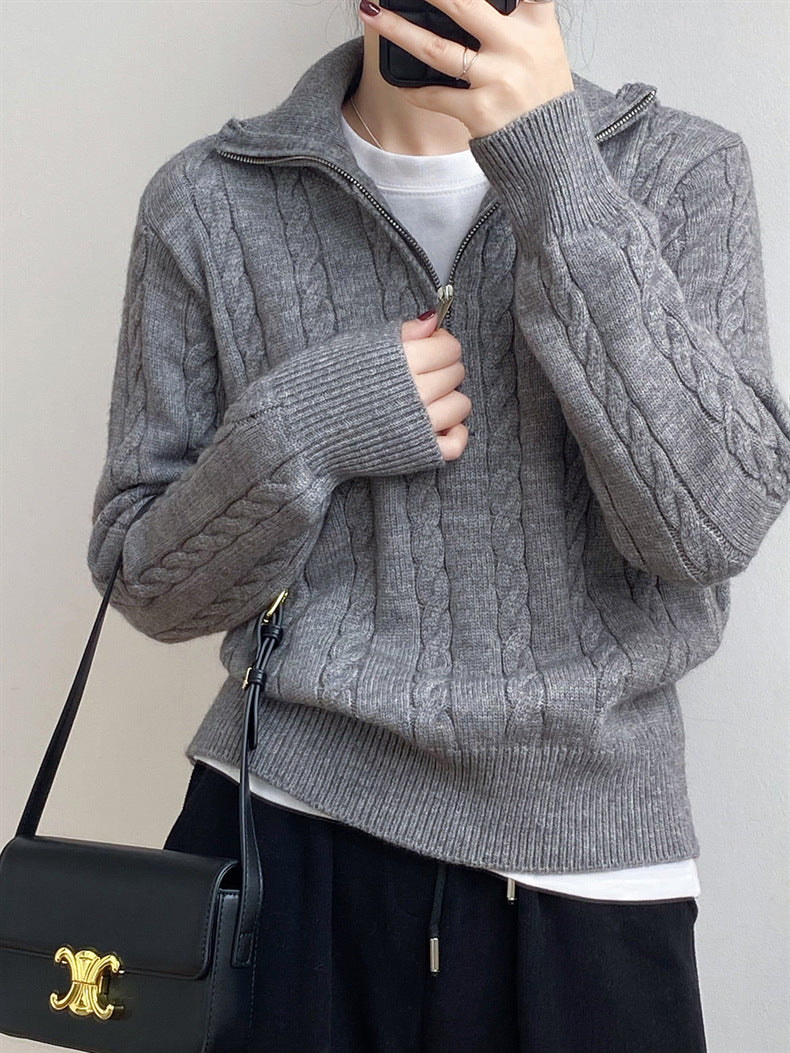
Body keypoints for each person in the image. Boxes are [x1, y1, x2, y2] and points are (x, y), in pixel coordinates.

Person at [87, 1, 790, 1050]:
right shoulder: (209, 199)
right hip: (281, 833)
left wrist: (556, 173)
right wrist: (306, 426)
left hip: (587, 872)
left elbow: (711, 525)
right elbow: (143, 579)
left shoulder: (679, 170)